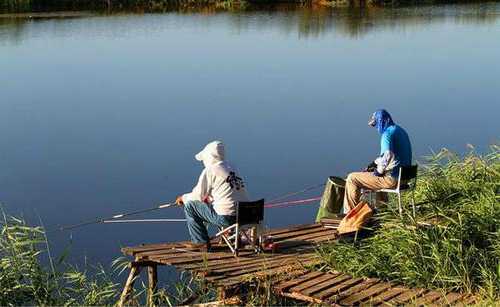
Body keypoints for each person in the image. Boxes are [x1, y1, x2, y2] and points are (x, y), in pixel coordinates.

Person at [176, 140, 249, 250]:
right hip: (246, 216)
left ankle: (200, 242)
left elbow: (197, 196)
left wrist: (183, 198)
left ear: (209, 157)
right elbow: (227, 191)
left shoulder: (210, 170)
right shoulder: (232, 167)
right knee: (215, 205)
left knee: (190, 206)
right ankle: (230, 236)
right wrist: (210, 197)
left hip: (227, 218)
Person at [343, 109, 412, 213]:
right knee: (379, 176)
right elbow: (392, 156)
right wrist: (374, 163)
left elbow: (388, 155)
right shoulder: (400, 130)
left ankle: (349, 215)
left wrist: (379, 171)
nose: (376, 127)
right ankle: (383, 212)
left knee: (352, 178)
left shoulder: (387, 134)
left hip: (393, 180)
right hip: (405, 178)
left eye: (376, 124)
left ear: (381, 121)